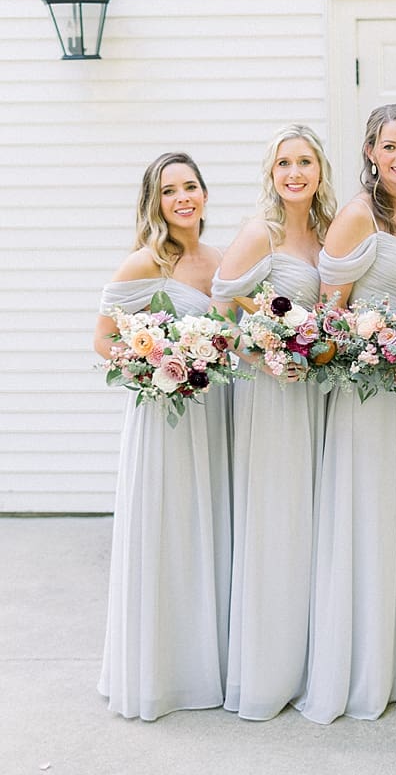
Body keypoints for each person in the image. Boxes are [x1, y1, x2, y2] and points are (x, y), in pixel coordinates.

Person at [297, 104, 396, 723]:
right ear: (369, 152)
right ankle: (363, 662)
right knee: (367, 514)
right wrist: (378, 348)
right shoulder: (357, 217)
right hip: (367, 393)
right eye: (390, 146)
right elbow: (327, 320)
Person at [93, 152, 232, 720]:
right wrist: (157, 363)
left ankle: (207, 664)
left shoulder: (220, 260)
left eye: (191, 186)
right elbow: (103, 340)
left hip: (214, 412)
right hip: (165, 418)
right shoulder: (143, 264)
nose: (183, 198)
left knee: (209, 533)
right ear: (155, 202)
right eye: (170, 190)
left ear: (204, 194)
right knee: (168, 533)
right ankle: (160, 674)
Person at [211, 125, 336, 720]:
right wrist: (262, 351)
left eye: (305, 161)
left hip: (313, 392)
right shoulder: (259, 231)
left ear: (319, 170)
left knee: (311, 521)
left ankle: (309, 654)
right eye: (284, 162)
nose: (295, 172)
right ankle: (267, 669)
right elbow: (222, 302)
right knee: (276, 518)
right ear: (271, 173)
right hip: (271, 394)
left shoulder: (322, 233)